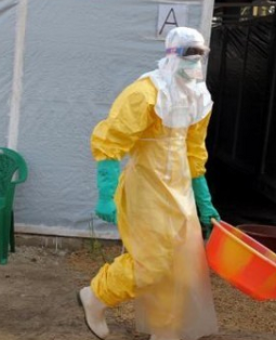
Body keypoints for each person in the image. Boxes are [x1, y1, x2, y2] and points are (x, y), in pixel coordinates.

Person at [78, 27, 220, 340]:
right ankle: (97, 295)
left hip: (179, 190)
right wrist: (106, 192)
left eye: (200, 54)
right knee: (152, 263)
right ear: (171, 54)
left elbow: (195, 150)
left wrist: (203, 198)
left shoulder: (199, 97)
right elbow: (111, 140)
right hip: (147, 188)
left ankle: (165, 330)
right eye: (188, 53)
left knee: (181, 265)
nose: (194, 61)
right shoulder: (145, 93)